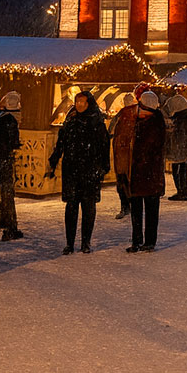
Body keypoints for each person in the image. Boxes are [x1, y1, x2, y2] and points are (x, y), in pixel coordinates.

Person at [46, 90, 110, 253]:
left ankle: (86, 242)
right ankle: (70, 242)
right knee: (71, 206)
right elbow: (61, 142)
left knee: (88, 207)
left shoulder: (96, 122)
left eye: (82, 102)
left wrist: (103, 167)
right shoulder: (71, 120)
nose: (79, 105)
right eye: (77, 102)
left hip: (90, 169)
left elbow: (104, 146)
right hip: (72, 169)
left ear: (89, 103)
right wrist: (54, 160)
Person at [123, 91, 166, 252]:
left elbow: (151, 148)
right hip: (139, 173)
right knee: (138, 210)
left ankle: (148, 241)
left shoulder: (154, 122)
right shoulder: (140, 121)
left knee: (150, 209)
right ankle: (137, 240)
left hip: (148, 173)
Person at [0, 90, 24, 240]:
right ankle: (11, 225)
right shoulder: (10, 120)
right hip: (3, 158)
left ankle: (1, 217)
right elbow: (12, 142)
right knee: (8, 191)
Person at [109, 92, 139, 219]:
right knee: (129, 181)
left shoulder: (121, 114)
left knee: (122, 181)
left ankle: (125, 206)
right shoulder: (137, 114)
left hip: (122, 153)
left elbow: (111, 129)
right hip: (130, 154)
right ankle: (131, 206)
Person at [163, 94, 187, 201]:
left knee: (178, 170)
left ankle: (181, 192)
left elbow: (178, 135)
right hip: (184, 149)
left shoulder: (180, 119)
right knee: (182, 170)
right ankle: (182, 191)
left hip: (179, 149)